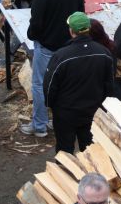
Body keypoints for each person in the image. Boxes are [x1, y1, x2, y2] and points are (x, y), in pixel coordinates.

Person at [21, 0, 84, 137]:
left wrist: (32, 35)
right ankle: (58, 122)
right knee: (64, 85)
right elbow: (80, 12)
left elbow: (36, 21)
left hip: (48, 46)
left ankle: (39, 125)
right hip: (69, 44)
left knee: (40, 85)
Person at [44, 12, 115, 154]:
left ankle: (65, 175)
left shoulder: (61, 56)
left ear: (71, 31)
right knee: (91, 150)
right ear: (88, 29)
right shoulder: (104, 53)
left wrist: (50, 105)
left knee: (64, 151)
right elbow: (109, 84)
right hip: (93, 111)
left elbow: (49, 85)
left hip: (66, 112)